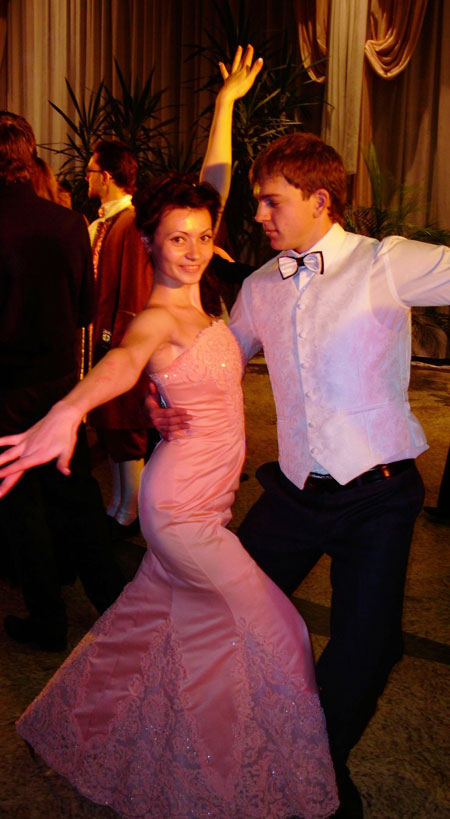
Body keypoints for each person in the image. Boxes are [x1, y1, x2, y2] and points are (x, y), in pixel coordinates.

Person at [0, 50, 339, 819]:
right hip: (181, 509)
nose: (190, 248)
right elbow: (120, 363)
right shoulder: (157, 316)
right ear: (148, 242)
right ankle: (216, 782)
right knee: (279, 630)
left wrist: (225, 104)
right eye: (176, 238)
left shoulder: (207, 285)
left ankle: (80, 724)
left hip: (210, 496)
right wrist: (68, 409)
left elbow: (213, 182)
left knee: (150, 623)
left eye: (200, 235)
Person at [146, 131, 450, 817]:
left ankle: (318, 768)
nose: (258, 215)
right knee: (218, 610)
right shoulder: (260, 287)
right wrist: (159, 396)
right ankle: (225, 746)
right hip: (292, 493)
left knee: (368, 648)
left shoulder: (384, 262)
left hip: (378, 495)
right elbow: (213, 362)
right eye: (256, 201)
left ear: (319, 199)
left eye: (271, 201)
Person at [0, 110, 124, 651]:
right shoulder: (67, 223)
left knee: (19, 505)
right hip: (57, 383)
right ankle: (115, 601)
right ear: (28, 157)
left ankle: (47, 619)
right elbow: (85, 310)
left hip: (4, 388)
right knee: (75, 495)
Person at [85, 137, 155, 538]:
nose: (87, 178)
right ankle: (118, 504)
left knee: (125, 424)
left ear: (107, 176)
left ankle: (131, 510)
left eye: (91, 171)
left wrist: (116, 342)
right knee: (110, 426)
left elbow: (132, 291)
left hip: (120, 342)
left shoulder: (130, 222)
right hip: (104, 338)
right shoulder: (106, 222)